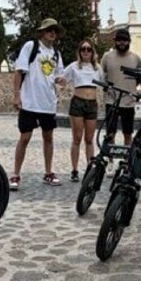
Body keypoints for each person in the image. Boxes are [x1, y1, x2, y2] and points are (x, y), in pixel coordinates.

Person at [11, 18, 66, 189]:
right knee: (25, 138)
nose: (52, 33)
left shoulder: (56, 54)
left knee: (48, 137)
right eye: (49, 30)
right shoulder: (31, 47)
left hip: (48, 103)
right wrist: (16, 95)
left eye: (55, 30)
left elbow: (58, 75)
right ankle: (15, 174)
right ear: (42, 32)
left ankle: (48, 172)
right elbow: (19, 72)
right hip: (29, 102)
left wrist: (60, 80)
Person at [62, 39, 102, 182]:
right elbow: (61, 78)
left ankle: (89, 169)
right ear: (79, 52)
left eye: (89, 49)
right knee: (77, 138)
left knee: (89, 139)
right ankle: (74, 169)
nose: (86, 52)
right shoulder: (73, 67)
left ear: (93, 52)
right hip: (78, 102)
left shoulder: (97, 68)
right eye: (83, 49)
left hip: (91, 103)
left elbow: (106, 82)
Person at [101, 28, 141, 152]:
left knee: (128, 133)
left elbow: (139, 79)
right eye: (119, 40)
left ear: (129, 41)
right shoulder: (107, 57)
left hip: (128, 101)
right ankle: (110, 158)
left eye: (124, 40)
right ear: (115, 41)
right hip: (111, 100)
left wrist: (136, 90)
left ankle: (127, 158)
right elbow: (102, 74)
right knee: (110, 133)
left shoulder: (136, 58)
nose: (122, 43)